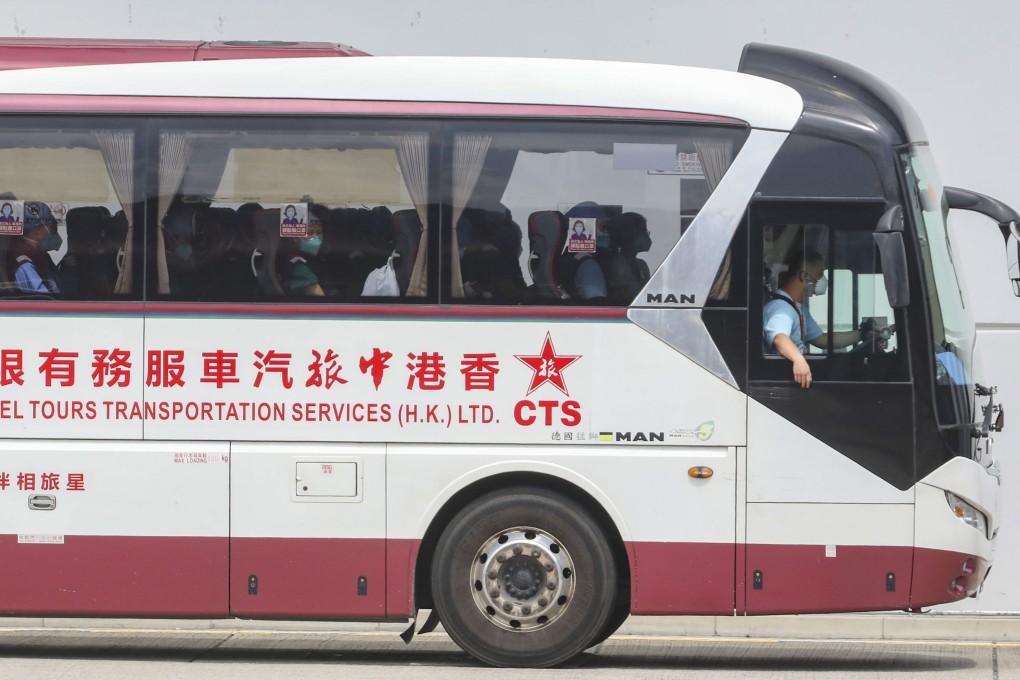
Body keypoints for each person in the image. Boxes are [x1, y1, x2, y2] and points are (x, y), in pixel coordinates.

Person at [763, 248, 871, 388]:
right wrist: (798, 360)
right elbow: (780, 338)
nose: (822, 280)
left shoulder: (798, 308)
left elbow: (821, 339)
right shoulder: (781, 308)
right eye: (819, 275)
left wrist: (862, 334)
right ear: (804, 276)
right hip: (784, 379)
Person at [5, 201, 61, 294]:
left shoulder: (43, 257)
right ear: (39, 229)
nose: (55, 234)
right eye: (52, 229)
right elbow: (45, 299)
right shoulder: (24, 263)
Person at [281, 209, 325, 296]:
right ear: (295, 238)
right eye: (309, 232)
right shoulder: (299, 267)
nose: (316, 238)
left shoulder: (309, 259)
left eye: (319, 233)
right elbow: (320, 299)